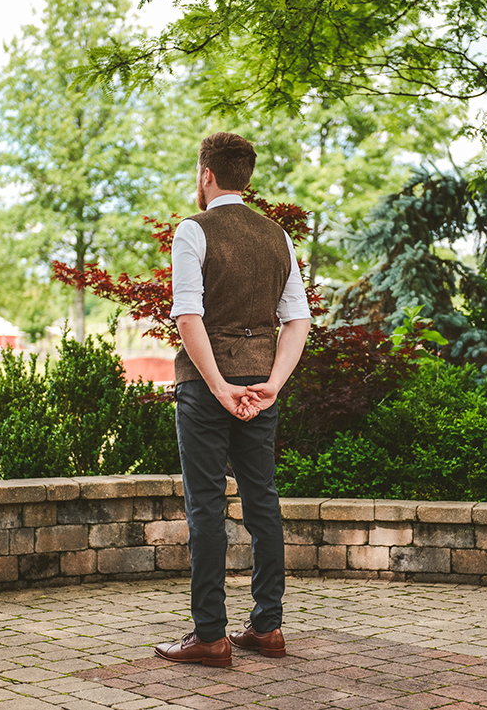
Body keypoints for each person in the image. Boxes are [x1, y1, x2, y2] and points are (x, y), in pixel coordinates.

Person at [154, 132, 311, 667]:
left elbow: (188, 317)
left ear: (207, 175)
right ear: (246, 177)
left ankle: (211, 636)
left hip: (206, 389)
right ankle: (267, 629)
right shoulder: (278, 238)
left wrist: (220, 387)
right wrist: (272, 384)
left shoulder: (193, 231)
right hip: (259, 390)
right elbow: (298, 320)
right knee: (262, 502)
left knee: (205, 505)